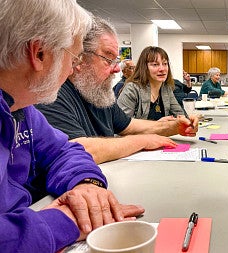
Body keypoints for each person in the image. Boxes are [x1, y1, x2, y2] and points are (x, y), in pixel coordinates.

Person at [0, 1, 144, 252]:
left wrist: (86, 185)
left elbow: (63, 151)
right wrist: (64, 221)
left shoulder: (22, 109)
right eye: (73, 56)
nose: (72, 69)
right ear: (39, 53)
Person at [36, 17, 198, 165]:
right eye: (108, 59)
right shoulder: (51, 95)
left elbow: (129, 125)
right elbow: (76, 150)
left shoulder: (97, 92)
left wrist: (176, 127)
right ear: (79, 58)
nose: (116, 69)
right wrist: (142, 141)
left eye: (116, 61)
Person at [117, 46, 194, 121]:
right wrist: (158, 126)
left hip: (161, 134)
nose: (162, 69)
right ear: (144, 68)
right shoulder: (132, 89)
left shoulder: (165, 88)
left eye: (165, 63)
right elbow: (122, 127)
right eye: (155, 64)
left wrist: (189, 122)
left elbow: (179, 114)